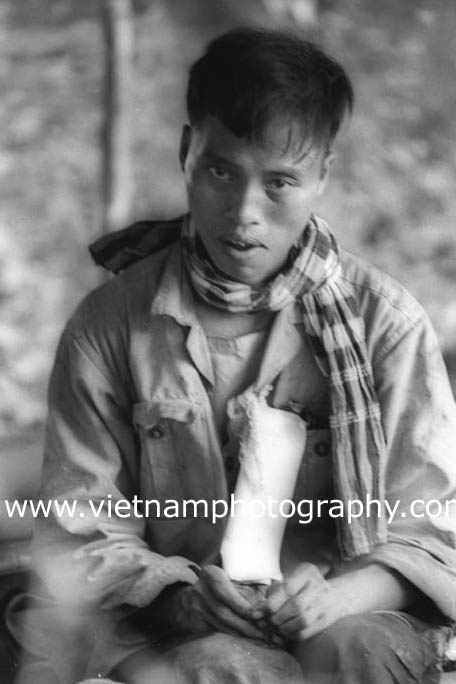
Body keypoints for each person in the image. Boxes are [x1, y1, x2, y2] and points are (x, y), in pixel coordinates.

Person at [15, 27, 456, 684]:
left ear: (322, 177)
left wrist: (341, 597)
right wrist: (182, 594)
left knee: (356, 650)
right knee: (222, 667)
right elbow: (80, 527)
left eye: (280, 182)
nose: (245, 211)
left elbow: (434, 529)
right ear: (187, 152)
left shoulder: (383, 325)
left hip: (352, 614)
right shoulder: (110, 327)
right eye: (222, 171)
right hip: (179, 628)